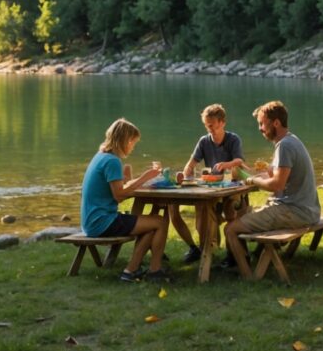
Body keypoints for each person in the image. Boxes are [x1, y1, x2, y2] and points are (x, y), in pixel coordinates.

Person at [223, 100, 320, 275]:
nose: (260, 128)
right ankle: (251, 258)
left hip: (295, 211)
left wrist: (252, 180)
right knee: (246, 213)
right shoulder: (291, 140)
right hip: (307, 209)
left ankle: (247, 273)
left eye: (262, 123)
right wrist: (250, 173)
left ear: (276, 123)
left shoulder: (284, 146)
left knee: (230, 228)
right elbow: (277, 176)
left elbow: (277, 184)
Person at [80, 118, 170, 282]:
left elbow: (116, 191)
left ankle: (130, 271)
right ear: (125, 140)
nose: (133, 147)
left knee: (150, 226)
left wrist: (133, 182)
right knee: (161, 222)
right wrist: (144, 178)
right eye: (133, 142)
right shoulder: (112, 161)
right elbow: (119, 195)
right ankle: (154, 271)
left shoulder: (101, 156)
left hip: (91, 221)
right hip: (103, 221)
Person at [169, 103, 250, 264]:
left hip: (232, 186)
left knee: (230, 209)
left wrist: (226, 165)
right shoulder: (204, 141)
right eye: (206, 125)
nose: (209, 129)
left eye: (211, 125)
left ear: (222, 123)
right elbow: (191, 164)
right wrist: (184, 176)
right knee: (198, 208)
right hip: (212, 187)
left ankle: (232, 254)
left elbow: (239, 160)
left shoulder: (233, 139)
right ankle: (203, 248)